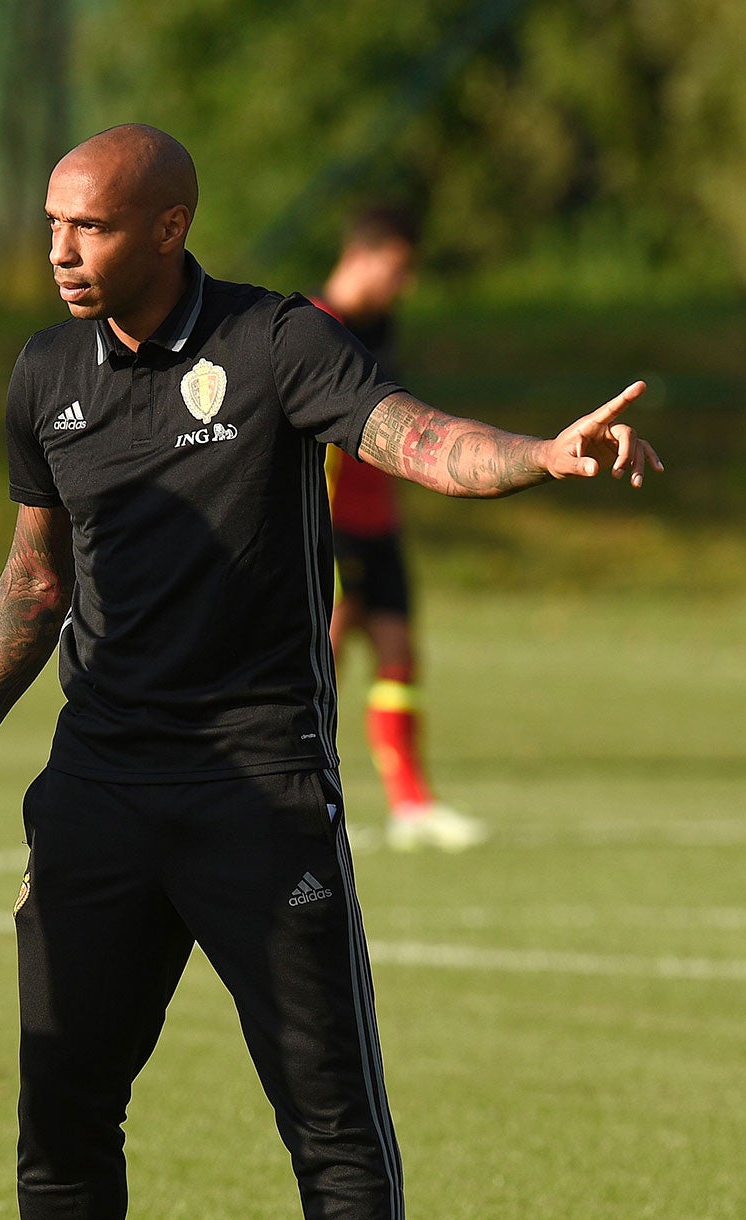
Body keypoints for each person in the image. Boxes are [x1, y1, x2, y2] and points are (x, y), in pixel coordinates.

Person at [0, 124, 659, 1220]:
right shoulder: (42, 376)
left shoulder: (278, 345)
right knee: (62, 1107)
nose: (61, 250)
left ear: (169, 227)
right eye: (50, 225)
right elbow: (36, 575)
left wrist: (542, 456)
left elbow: (414, 438)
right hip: (97, 788)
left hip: (259, 789)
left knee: (326, 1112)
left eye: (89, 226)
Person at [313, 207, 486, 851]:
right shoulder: (315, 326)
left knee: (397, 655)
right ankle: (298, 793)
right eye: (398, 268)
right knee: (318, 657)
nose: (403, 284)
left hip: (378, 521)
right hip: (330, 528)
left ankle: (411, 803)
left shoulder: (379, 326)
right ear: (365, 254)